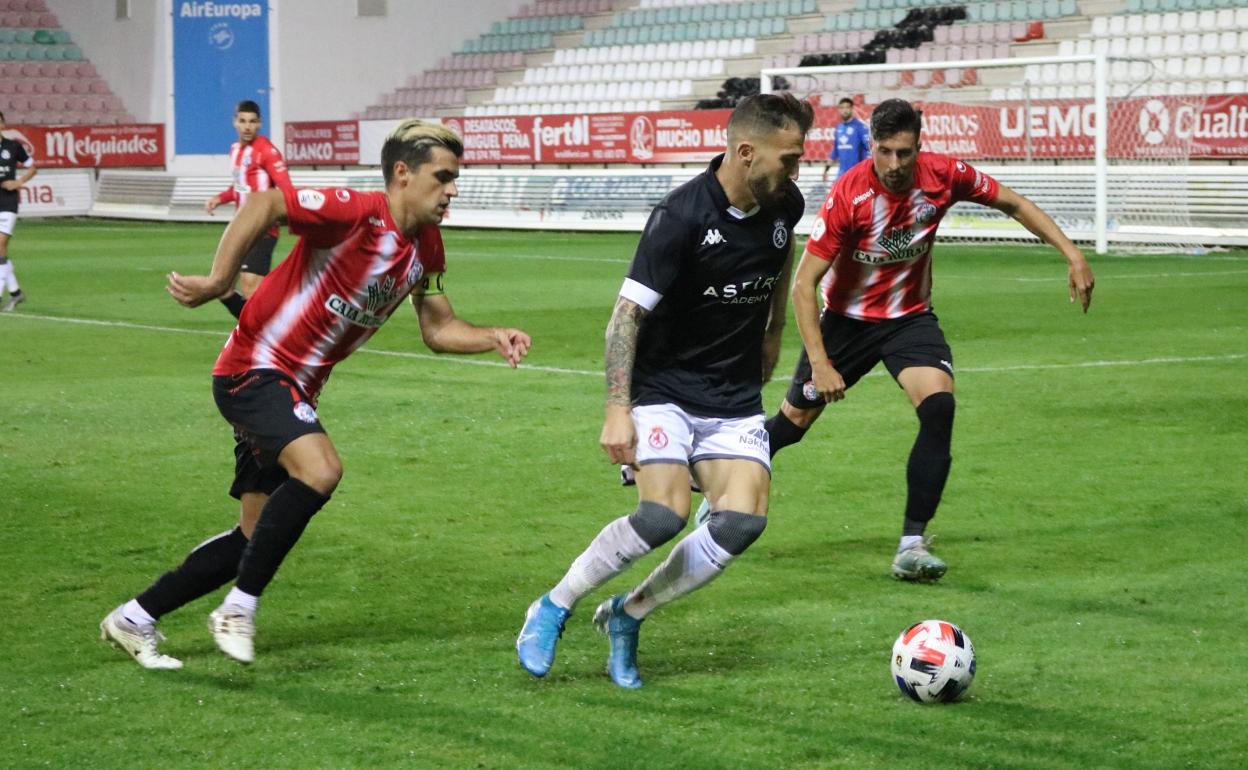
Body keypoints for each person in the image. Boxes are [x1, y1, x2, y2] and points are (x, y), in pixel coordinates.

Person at [100, 119, 532, 668]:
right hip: (253, 368)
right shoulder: (354, 212)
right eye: (443, 176)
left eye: (455, 178)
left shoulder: (428, 249)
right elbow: (263, 203)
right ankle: (238, 609)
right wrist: (217, 281)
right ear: (403, 173)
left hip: (295, 387)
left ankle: (133, 618)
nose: (453, 189)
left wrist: (492, 336)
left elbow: (438, 329)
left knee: (253, 537)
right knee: (321, 470)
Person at [723, 98, 1095, 582]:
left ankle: (911, 545)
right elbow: (802, 284)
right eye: (884, 152)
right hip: (846, 322)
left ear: (919, 146)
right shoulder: (849, 194)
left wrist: (1073, 255)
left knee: (939, 408)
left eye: (905, 152)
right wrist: (820, 361)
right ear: (871, 145)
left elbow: (1014, 203)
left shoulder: (945, 176)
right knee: (792, 425)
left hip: (909, 320)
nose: (894, 165)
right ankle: (716, 479)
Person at [516, 93, 813, 689]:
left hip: (730, 395)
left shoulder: (786, 204)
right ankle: (552, 605)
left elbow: (782, 259)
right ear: (746, 151)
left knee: (741, 523)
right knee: (663, 514)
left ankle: (629, 615)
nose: (797, 171)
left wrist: (774, 329)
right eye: (790, 158)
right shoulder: (680, 216)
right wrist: (616, 410)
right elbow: (625, 316)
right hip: (664, 391)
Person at [204, 100, 293, 319]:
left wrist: (281, 215)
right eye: (242, 121)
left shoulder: (268, 152)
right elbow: (239, 186)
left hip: (262, 229)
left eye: (252, 122)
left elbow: (287, 190)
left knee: (250, 287)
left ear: (259, 123)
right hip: (240, 228)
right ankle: (260, 330)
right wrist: (221, 198)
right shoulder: (235, 151)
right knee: (221, 287)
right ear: (235, 122)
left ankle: (264, 335)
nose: (247, 126)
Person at [0, 110, 36, 312]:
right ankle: (16, 293)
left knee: (1, 244)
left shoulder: (13, 146)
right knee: (0, 251)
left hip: (8, 202)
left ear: (3, 124)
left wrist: (19, 182)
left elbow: (32, 167)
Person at [821, 97, 870, 183]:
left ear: (852, 109)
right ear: (839, 110)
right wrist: (826, 170)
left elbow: (869, 148)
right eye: (842, 108)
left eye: (847, 107)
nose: (845, 110)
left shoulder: (860, 127)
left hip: (857, 174)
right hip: (842, 175)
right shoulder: (839, 128)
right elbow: (835, 152)